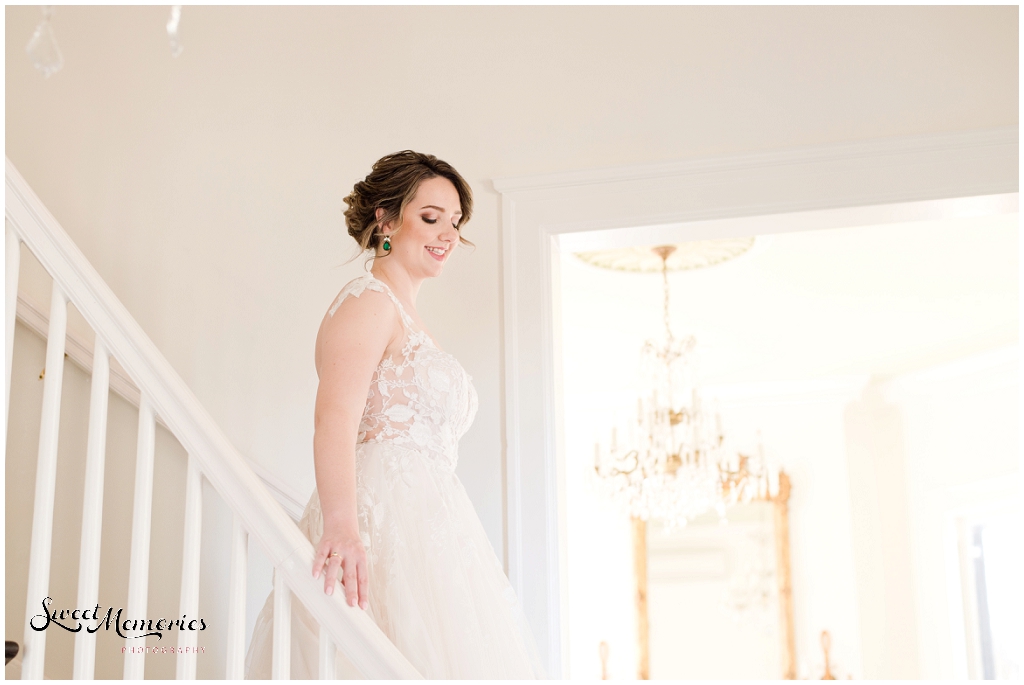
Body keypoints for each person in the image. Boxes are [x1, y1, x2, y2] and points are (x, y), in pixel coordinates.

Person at [245, 151, 544, 679]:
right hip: (376, 521)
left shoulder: (408, 316)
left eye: (455, 222)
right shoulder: (368, 301)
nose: (447, 235)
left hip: (430, 529)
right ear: (385, 219)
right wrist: (342, 527)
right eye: (431, 217)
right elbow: (334, 420)